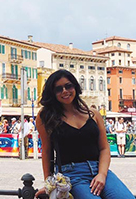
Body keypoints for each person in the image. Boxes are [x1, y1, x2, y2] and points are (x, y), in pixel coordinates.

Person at [35, 69, 134, 199]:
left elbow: (104, 148)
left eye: (68, 86)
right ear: (53, 94)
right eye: (58, 89)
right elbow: (47, 152)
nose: (65, 91)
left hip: (99, 169)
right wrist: (49, 185)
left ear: (75, 86)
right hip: (72, 175)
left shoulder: (93, 114)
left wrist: (102, 174)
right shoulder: (46, 117)